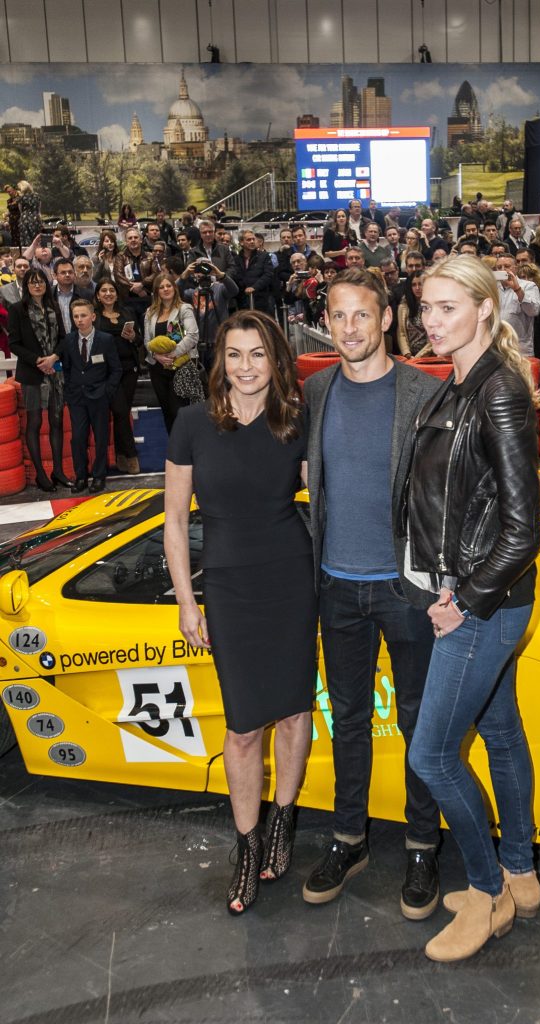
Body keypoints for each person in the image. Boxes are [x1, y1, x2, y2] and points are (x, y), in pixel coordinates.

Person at [403, 256, 540, 963]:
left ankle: (486, 894)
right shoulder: (456, 381)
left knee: (429, 755)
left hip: (481, 601)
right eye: (425, 307)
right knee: (499, 731)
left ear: (486, 308)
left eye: (447, 307)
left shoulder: (497, 392)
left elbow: (524, 528)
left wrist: (464, 599)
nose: (431, 321)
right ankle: (520, 872)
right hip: (465, 590)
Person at [164, 309, 317, 915]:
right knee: (243, 725)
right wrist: (185, 599)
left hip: (291, 577)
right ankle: (248, 845)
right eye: (234, 354)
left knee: (294, 712)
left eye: (258, 354)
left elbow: (328, 491)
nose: (246, 367)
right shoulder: (193, 424)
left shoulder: (295, 421)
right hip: (228, 585)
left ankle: (283, 821)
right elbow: (175, 521)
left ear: (275, 360)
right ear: (219, 361)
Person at [302, 268, 442, 920]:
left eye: (361, 315)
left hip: (403, 588)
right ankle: (348, 838)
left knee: (417, 723)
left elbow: (448, 494)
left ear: (385, 318)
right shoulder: (315, 390)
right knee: (347, 722)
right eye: (338, 316)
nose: (350, 328)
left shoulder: (423, 393)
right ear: (325, 322)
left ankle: (420, 845)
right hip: (335, 586)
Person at [8, 267, 69, 492]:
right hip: (33, 374)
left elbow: (64, 338)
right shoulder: (17, 310)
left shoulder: (53, 307)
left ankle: (59, 471)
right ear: (26, 286)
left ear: (46, 284)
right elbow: (14, 343)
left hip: (56, 372)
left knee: (57, 421)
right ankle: (41, 475)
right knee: (34, 423)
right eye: (32, 282)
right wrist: (39, 361)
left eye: (41, 282)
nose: (37, 285)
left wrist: (53, 358)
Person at [62, 298, 122, 494]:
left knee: (101, 437)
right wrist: (70, 391)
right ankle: (81, 476)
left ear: (93, 317)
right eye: (76, 316)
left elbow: (116, 369)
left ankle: (99, 476)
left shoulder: (105, 340)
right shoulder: (69, 340)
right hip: (77, 398)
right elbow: (68, 369)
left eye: (83, 315)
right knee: (78, 438)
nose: (79, 320)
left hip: (99, 397)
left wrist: (107, 391)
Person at [93, 279, 142, 474]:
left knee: (123, 413)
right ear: (97, 295)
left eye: (111, 290)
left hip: (130, 369)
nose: (108, 293)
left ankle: (121, 456)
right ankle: (131, 456)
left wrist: (133, 337)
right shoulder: (94, 317)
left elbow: (139, 340)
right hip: (107, 372)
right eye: (103, 290)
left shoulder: (127, 312)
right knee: (121, 412)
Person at [144, 273, 199, 433]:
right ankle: (174, 449)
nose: (165, 289)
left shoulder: (184, 308)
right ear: (156, 291)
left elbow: (193, 335)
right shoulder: (150, 312)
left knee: (179, 412)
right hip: (157, 368)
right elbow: (147, 341)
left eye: (168, 285)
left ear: (174, 288)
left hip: (180, 367)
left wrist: (172, 355)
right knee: (166, 411)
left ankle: (186, 450)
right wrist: (156, 356)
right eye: (161, 287)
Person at [397, 270, 431, 357]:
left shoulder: (433, 306)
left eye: (420, 284)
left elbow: (433, 336)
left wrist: (418, 357)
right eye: (414, 285)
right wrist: (407, 354)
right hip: (409, 356)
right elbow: (401, 333)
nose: (417, 288)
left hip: (429, 355)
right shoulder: (404, 306)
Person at [17, 181, 42, 249]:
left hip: (25, 219)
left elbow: (20, 210)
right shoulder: (37, 196)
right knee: (37, 239)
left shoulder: (21, 198)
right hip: (36, 219)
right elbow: (39, 209)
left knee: (26, 240)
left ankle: (27, 256)